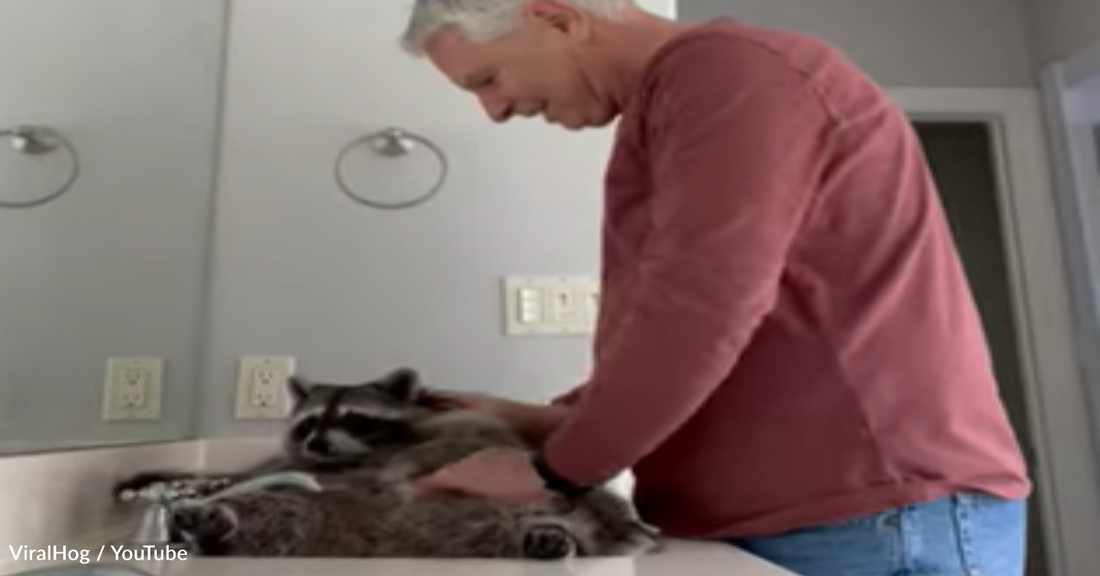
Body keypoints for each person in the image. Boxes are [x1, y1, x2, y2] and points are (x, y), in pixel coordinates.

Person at [396, 1, 1032, 575]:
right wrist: (555, 419)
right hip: (812, 516)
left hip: (864, 517)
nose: (495, 111)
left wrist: (550, 472)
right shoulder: (684, 97)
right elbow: (712, 321)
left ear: (558, 18)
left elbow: (702, 305)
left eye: (487, 79)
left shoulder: (730, 74)